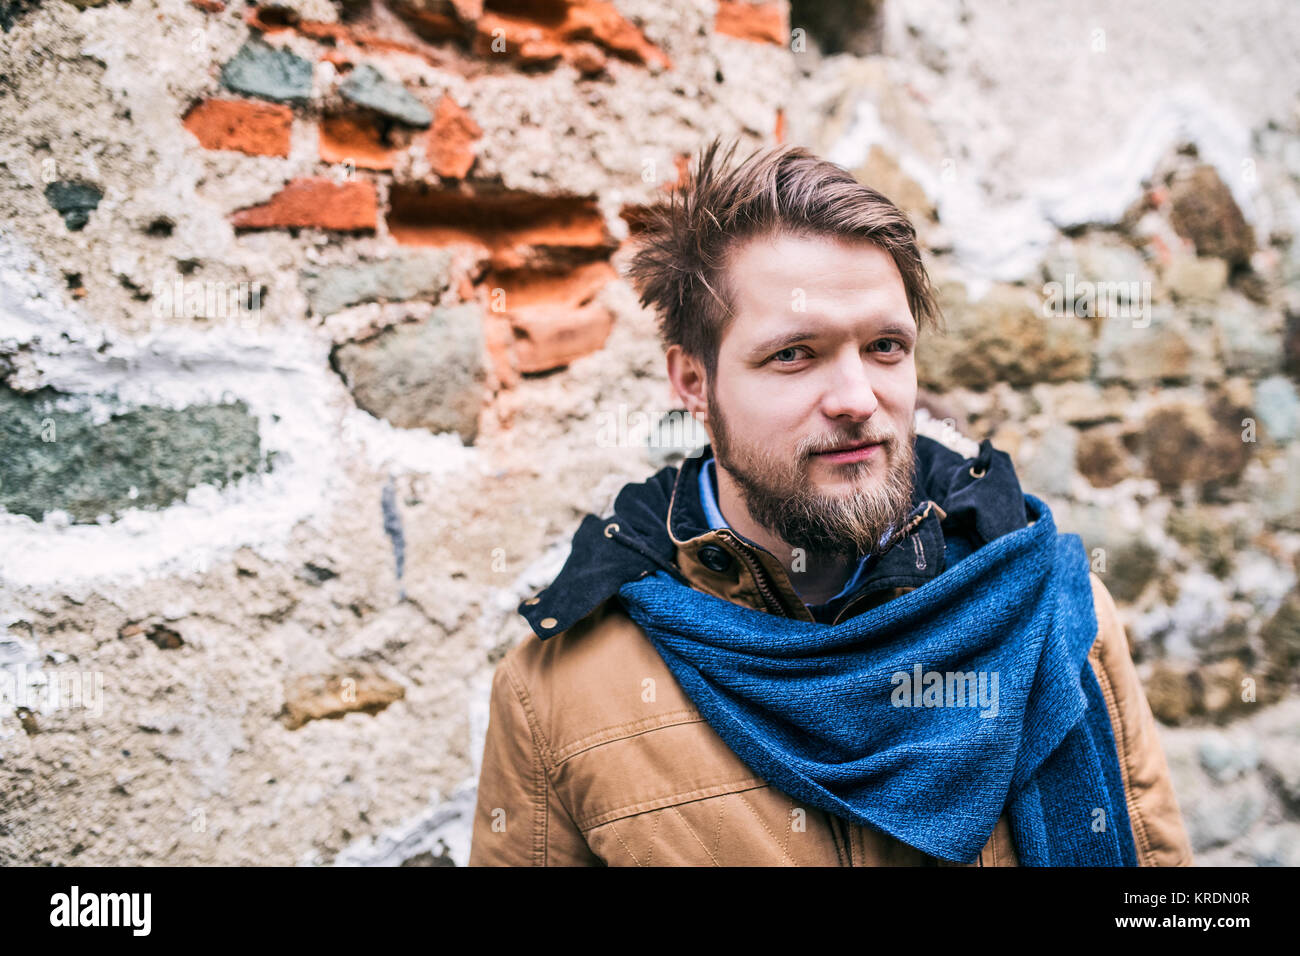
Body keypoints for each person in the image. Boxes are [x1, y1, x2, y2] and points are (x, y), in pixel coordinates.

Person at [468, 139, 1194, 867]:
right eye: (794, 354)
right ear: (693, 383)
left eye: (884, 346)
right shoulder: (557, 695)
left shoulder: (1056, 614)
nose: (856, 400)